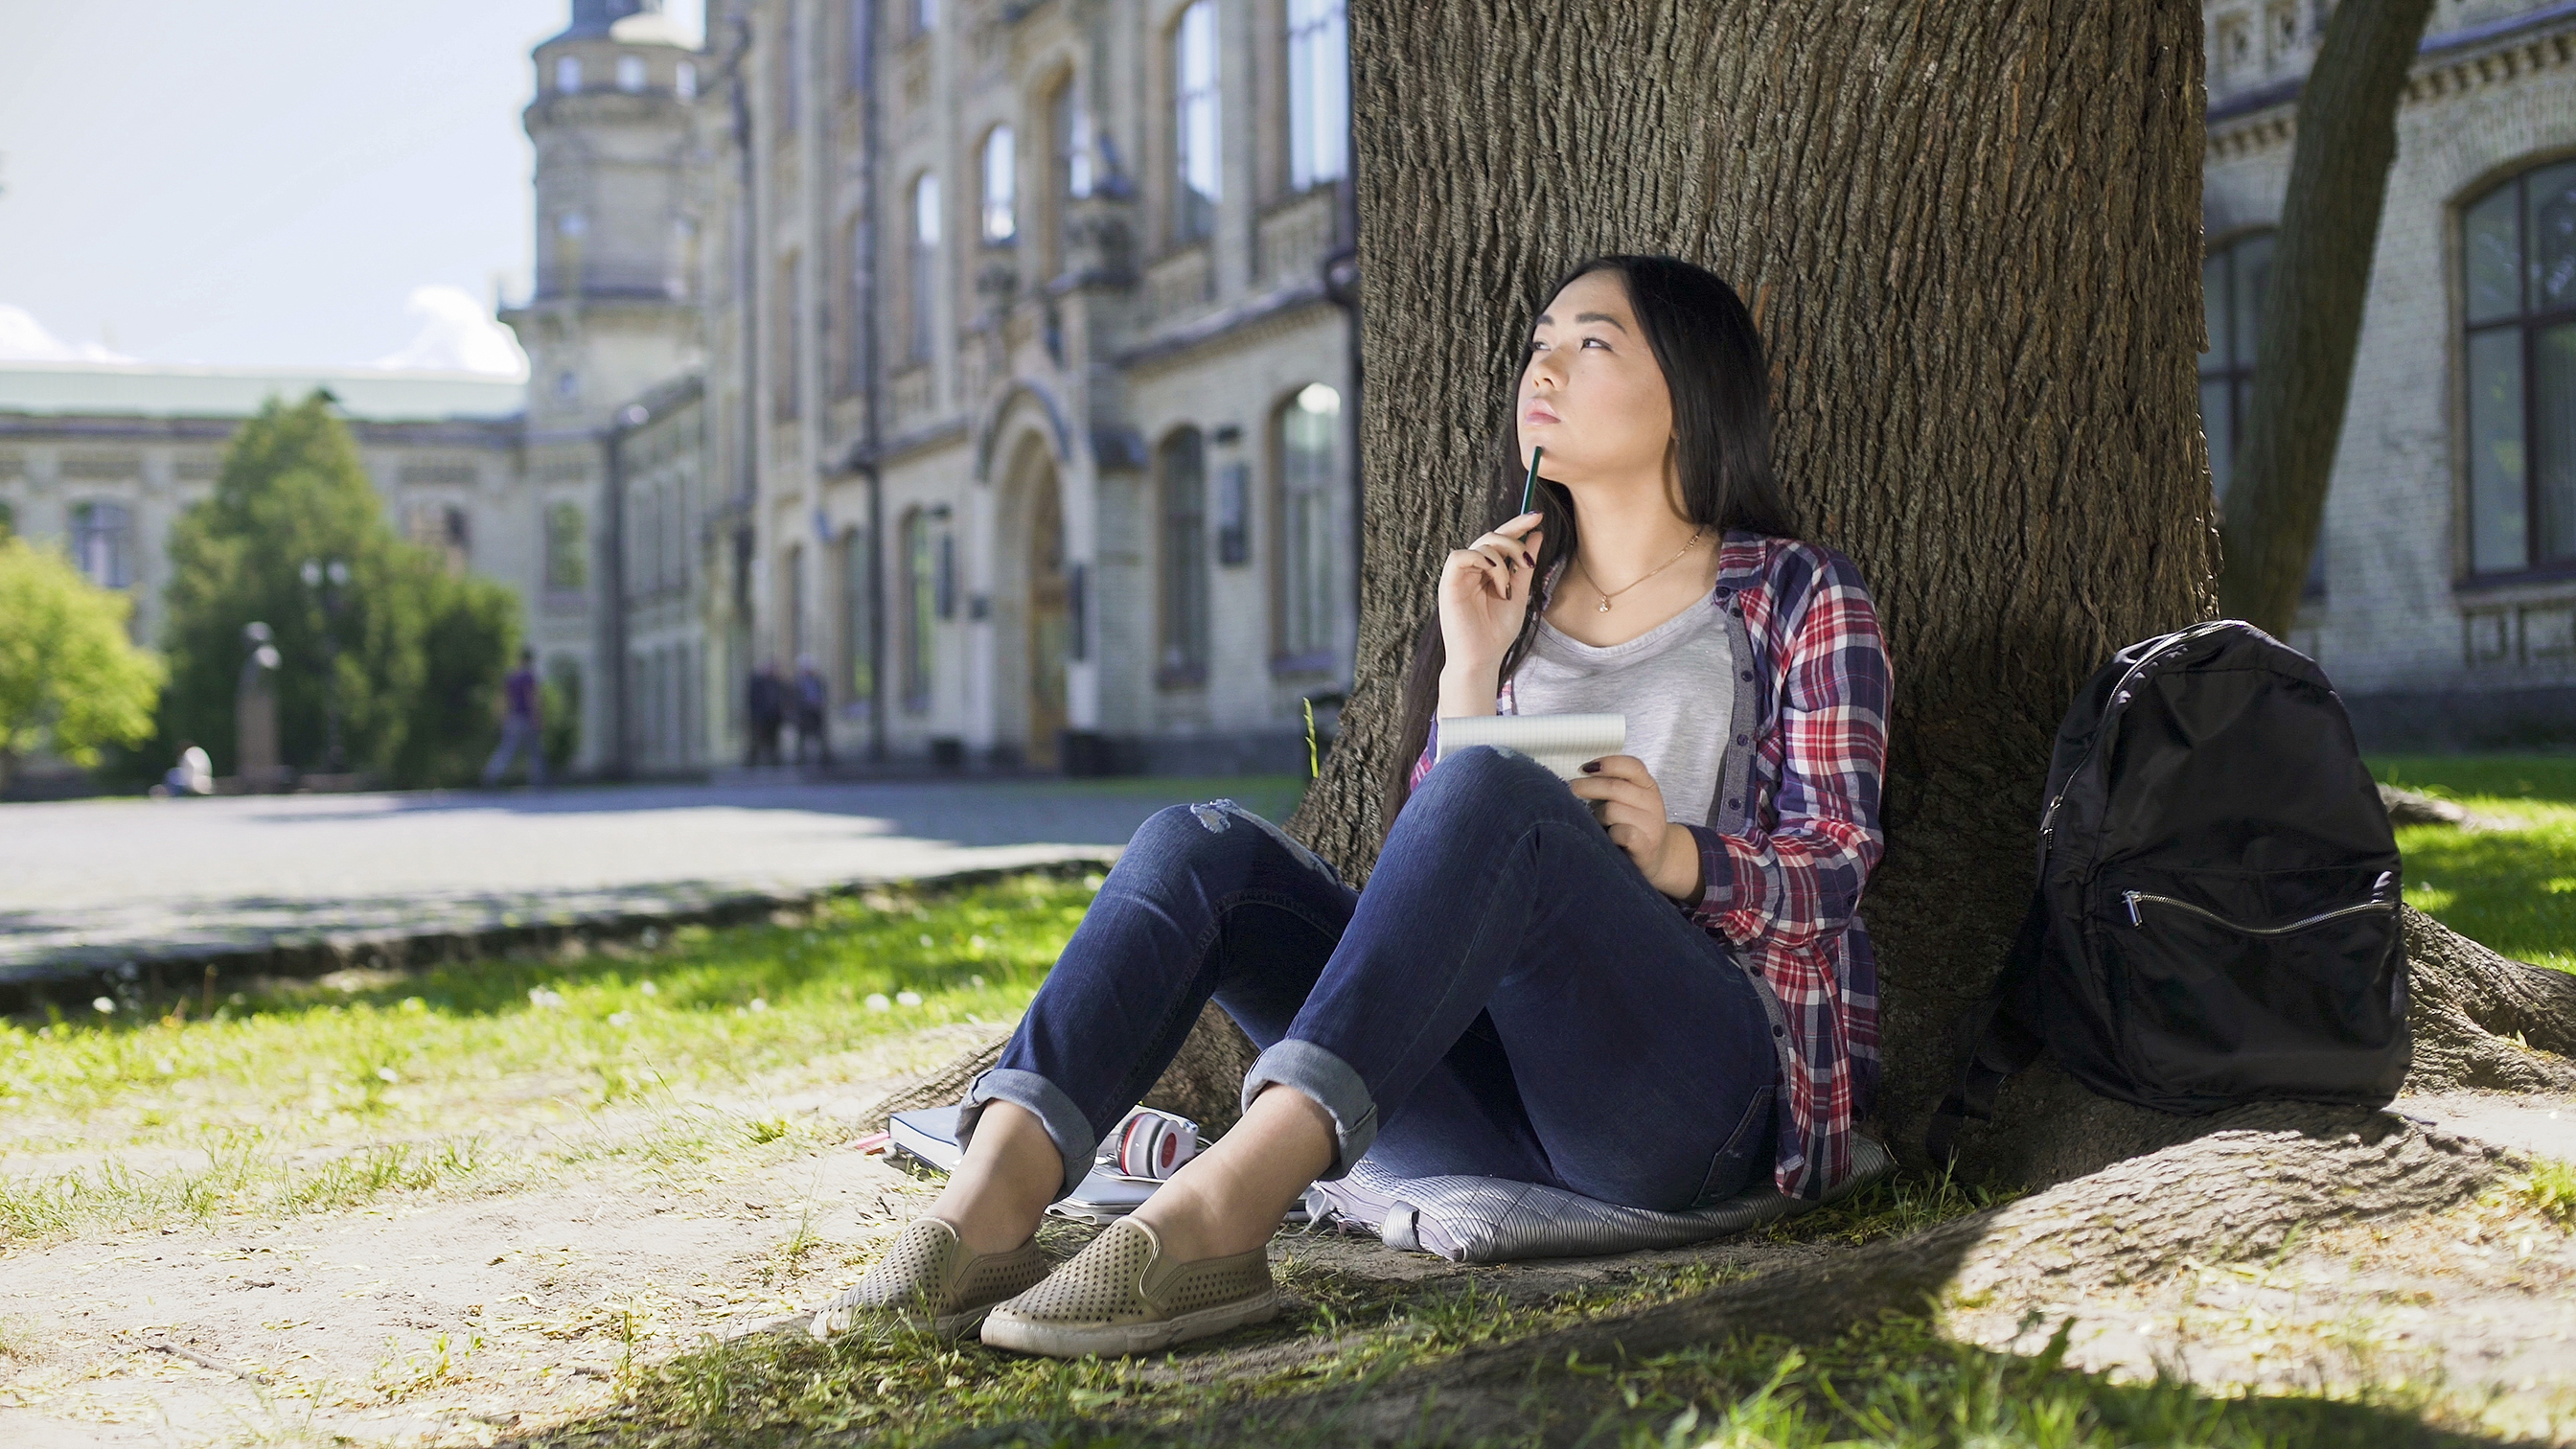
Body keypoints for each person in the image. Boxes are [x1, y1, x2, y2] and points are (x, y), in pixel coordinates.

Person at [815, 256, 1889, 1358]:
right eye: (1539, 343)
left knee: (1494, 791)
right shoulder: (1506, 604)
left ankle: (1224, 1212)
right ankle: (988, 1203)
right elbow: (1437, 878)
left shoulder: (1798, 594)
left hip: (1683, 1098)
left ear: (1691, 391)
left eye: (1591, 343)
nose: (1545, 368)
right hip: (1476, 1103)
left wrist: (1680, 857)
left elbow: (1842, 860)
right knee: (1198, 845)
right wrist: (1470, 670)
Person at [481, 648, 545, 789]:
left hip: (512, 718)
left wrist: (501, 717)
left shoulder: (511, 677)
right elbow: (532, 699)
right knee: (534, 751)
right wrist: (537, 717)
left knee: (507, 750)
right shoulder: (528, 677)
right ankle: (539, 781)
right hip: (525, 718)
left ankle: (491, 776)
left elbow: (502, 698)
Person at [792, 656, 831, 768]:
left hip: (816, 713)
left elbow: (823, 695)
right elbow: (795, 699)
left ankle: (824, 758)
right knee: (802, 737)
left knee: (820, 736)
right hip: (804, 714)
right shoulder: (798, 683)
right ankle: (800, 759)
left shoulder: (818, 681)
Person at [745, 661, 785, 769]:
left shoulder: (777, 683)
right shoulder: (758, 683)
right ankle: (752, 762)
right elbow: (753, 700)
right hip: (761, 716)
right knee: (757, 740)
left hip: (774, 717)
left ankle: (774, 761)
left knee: (774, 741)